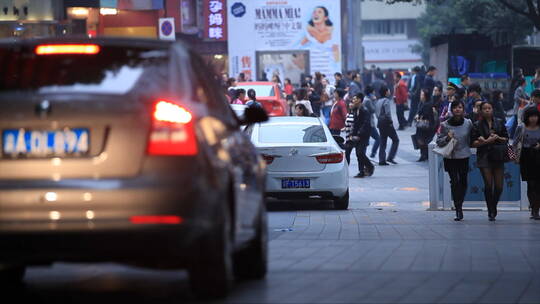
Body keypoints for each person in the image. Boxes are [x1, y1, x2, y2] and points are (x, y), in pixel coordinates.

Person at [471, 102, 509, 221]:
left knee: (499, 186)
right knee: (488, 184)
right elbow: (472, 143)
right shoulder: (476, 125)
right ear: (481, 111)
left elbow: (506, 138)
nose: (487, 110)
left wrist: (497, 138)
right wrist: (485, 141)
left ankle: (493, 205)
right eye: (485, 109)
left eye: (489, 108)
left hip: (498, 156)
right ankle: (490, 210)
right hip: (484, 156)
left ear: (492, 109)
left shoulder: (499, 122)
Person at [436, 100, 473, 221]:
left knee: (463, 181)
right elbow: (439, 141)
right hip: (451, 156)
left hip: (464, 156)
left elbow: (473, 137)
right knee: (454, 181)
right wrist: (447, 137)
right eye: (455, 107)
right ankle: (458, 208)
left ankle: (459, 203)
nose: (458, 109)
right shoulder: (445, 125)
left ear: (463, 109)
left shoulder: (468, 123)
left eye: (460, 107)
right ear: (451, 110)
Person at [513, 107, 540, 219]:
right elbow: (515, 141)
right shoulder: (521, 127)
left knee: (538, 184)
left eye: (535, 116)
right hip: (526, 157)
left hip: (539, 157)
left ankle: (536, 209)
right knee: (531, 183)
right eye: (531, 116)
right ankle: (533, 208)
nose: (533, 119)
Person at [344, 93, 374, 178]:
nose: (353, 100)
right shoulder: (356, 110)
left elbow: (365, 124)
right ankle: (362, 171)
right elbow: (355, 124)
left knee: (360, 153)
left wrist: (359, 134)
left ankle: (369, 166)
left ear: (359, 100)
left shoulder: (364, 110)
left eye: (355, 99)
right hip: (357, 136)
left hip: (363, 136)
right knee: (359, 154)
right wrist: (352, 134)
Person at [376, 86, 399, 165]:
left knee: (383, 141)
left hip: (380, 123)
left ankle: (381, 160)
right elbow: (388, 113)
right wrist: (390, 121)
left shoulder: (378, 101)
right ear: (386, 92)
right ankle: (390, 157)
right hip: (386, 123)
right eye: (389, 91)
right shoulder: (386, 101)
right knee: (396, 140)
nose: (390, 92)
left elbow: (377, 113)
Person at [414, 89, 436, 162]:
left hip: (426, 126)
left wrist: (419, 116)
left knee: (423, 140)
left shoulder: (427, 104)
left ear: (425, 96)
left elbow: (425, 114)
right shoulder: (422, 103)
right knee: (422, 140)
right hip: (422, 125)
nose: (421, 96)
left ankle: (424, 155)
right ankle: (424, 155)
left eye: (422, 94)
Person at [364, 86, 380, 158]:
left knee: (366, 140)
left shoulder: (365, 99)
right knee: (378, 138)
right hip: (369, 123)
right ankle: (373, 153)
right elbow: (373, 110)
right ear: (371, 92)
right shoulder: (368, 100)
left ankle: (363, 155)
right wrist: (374, 100)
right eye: (373, 91)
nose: (374, 93)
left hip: (366, 123)